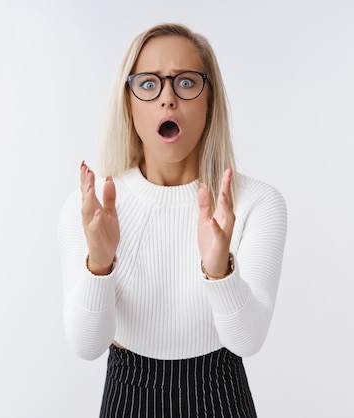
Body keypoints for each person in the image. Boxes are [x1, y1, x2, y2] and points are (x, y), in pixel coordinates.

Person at [58, 22, 287, 418]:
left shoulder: (256, 203)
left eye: (185, 83)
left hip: (222, 395)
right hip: (129, 396)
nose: (168, 99)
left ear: (209, 100)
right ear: (128, 103)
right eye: (149, 84)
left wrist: (220, 272)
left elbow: (247, 341)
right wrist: (99, 264)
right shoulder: (92, 208)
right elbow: (86, 346)